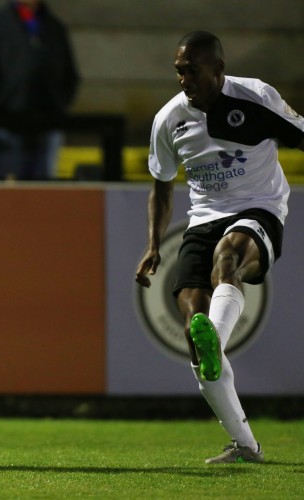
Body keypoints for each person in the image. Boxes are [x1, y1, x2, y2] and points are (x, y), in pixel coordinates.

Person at [135, 31, 304, 464]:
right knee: (192, 317)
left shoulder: (256, 97)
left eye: (192, 70)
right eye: (178, 71)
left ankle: (217, 338)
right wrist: (154, 245)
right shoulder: (168, 120)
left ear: (218, 70)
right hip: (203, 218)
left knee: (228, 255)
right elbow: (161, 187)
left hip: (259, 207)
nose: (183, 79)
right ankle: (245, 444)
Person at [0, 0, 78, 180]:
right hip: (5, 128)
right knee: (8, 191)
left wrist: (58, 103)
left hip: (47, 126)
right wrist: (1, 100)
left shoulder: (54, 27)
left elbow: (69, 75)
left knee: (44, 192)